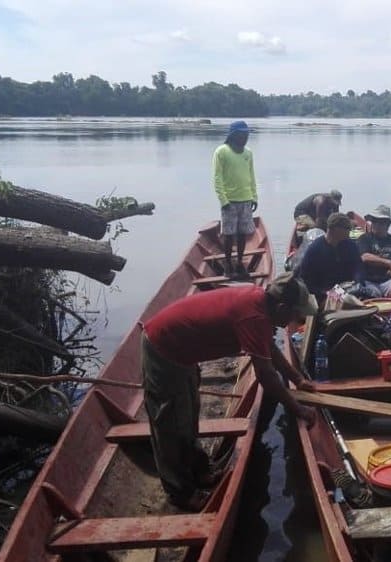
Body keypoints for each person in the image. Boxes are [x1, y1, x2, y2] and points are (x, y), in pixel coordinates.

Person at [139, 272, 317, 510]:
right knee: (171, 424)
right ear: (282, 306)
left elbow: (269, 348)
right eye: (296, 313)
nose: (297, 319)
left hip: (184, 352)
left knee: (189, 413)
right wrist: (298, 409)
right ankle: (180, 493)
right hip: (164, 348)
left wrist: (297, 378)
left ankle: (200, 470)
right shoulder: (254, 316)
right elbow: (266, 376)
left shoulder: (261, 305)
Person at [213, 120, 258, 279]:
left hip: (246, 199)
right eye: (242, 135)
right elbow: (217, 179)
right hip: (229, 201)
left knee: (243, 234)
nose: (245, 138)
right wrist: (223, 200)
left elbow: (251, 176)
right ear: (234, 135)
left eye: (247, 135)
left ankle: (239, 263)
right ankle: (228, 264)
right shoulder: (221, 151)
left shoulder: (248, 153)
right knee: (229, 234)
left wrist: (254, 197)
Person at [295, 212, 363, 304]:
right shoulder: (315, 249)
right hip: (324, 293)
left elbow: (358, 267)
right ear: (335, 229)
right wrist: (325, 293)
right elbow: (306, 281)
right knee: (347, 302)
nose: (350, 231)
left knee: (370, 293)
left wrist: (358, 282)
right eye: (347, 228)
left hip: (347, 288)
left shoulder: (351, 245)